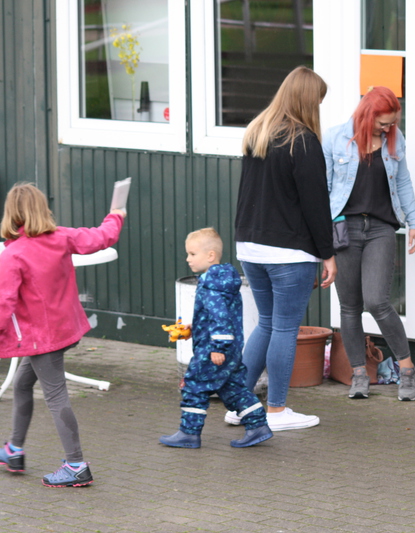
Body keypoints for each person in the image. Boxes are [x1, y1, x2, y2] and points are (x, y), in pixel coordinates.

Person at [227, 66, 336, 432]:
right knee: (285, 328)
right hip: (289, 251)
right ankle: (275, 410)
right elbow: (316, 205)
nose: (318, 108)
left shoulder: (257, 133)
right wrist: (328, 253)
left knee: (267, 323)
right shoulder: (303, 141)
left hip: (250, 247)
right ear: (308, 100)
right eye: (318, 101)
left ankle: (239, 406)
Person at [0, 183, 125, 487]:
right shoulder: (62, 237)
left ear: (11, 214)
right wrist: (116, 214)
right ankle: (14, 450)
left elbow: (4, 303)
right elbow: (102, 236)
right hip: (65, 329)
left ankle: (76, 465)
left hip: (41, 339)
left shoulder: (12, 255)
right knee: (22, 383)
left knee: (56, 396)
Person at [323, 86, 415, 401]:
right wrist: (321, 238)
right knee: (349, 306)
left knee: (377, 301)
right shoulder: (334, 138)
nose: (388, 128)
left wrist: (414, 222)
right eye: (383, 123)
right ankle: (358, 374)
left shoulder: (395, 138)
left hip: (380, 227)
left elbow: (402, 181)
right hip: (344, 227)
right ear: (366, 115)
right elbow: (324, 189)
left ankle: (407, 370)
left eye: (392, 123)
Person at [159, 228, 272, 449]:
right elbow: (218, 315)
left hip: (213, 349)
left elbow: (221, 318)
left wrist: (218, 346)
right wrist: (195, 326)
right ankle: (258, 426)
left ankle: (189, 433)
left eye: (192, 254)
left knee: (194, 385)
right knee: (232, 388)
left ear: (210, 255)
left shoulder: (212, 284)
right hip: (229, 347)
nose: (188, 259)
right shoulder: (221, 281)